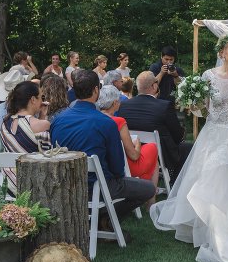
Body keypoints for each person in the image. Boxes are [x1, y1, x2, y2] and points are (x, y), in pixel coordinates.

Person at [151, 32, 228, 262]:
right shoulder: (207, 76)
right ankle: (217, 232)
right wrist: (193, 102)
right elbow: (203, 108)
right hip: (213, 136)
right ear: (221, 53)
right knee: (211, 187)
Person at [52, 70, 155, 235]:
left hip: (66, 184)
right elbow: (117, 167)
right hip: (98, 187)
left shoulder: (58, 120)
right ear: (95, 91)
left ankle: (102, 218)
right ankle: (106, 218)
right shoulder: (106, 123)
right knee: (149, 188)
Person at [118, 71, 191, 181]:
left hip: (132, 151)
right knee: (187, 148)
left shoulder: (123, 105)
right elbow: (177, 135)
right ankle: (175, 182)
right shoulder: (164, 106)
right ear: (154, 85)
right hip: (161, 154)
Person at [97, 85, 159, 205]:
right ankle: (150, 199)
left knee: (151, 160)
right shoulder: (119, 121)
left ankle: (148, 197)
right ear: (115, 103)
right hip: (124, 166)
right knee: (152, 147)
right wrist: (138, 143)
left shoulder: (95, 118)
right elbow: (134, 156)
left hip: (106, 163)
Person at [0, 81, 51, 154]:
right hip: (31, 165)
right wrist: (44, 117)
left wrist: (42, 116)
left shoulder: (5, 124)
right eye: (41, 97)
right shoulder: (43, 125)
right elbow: (46, 155)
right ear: (33, 99)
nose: (42, 101)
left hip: (9, 165)